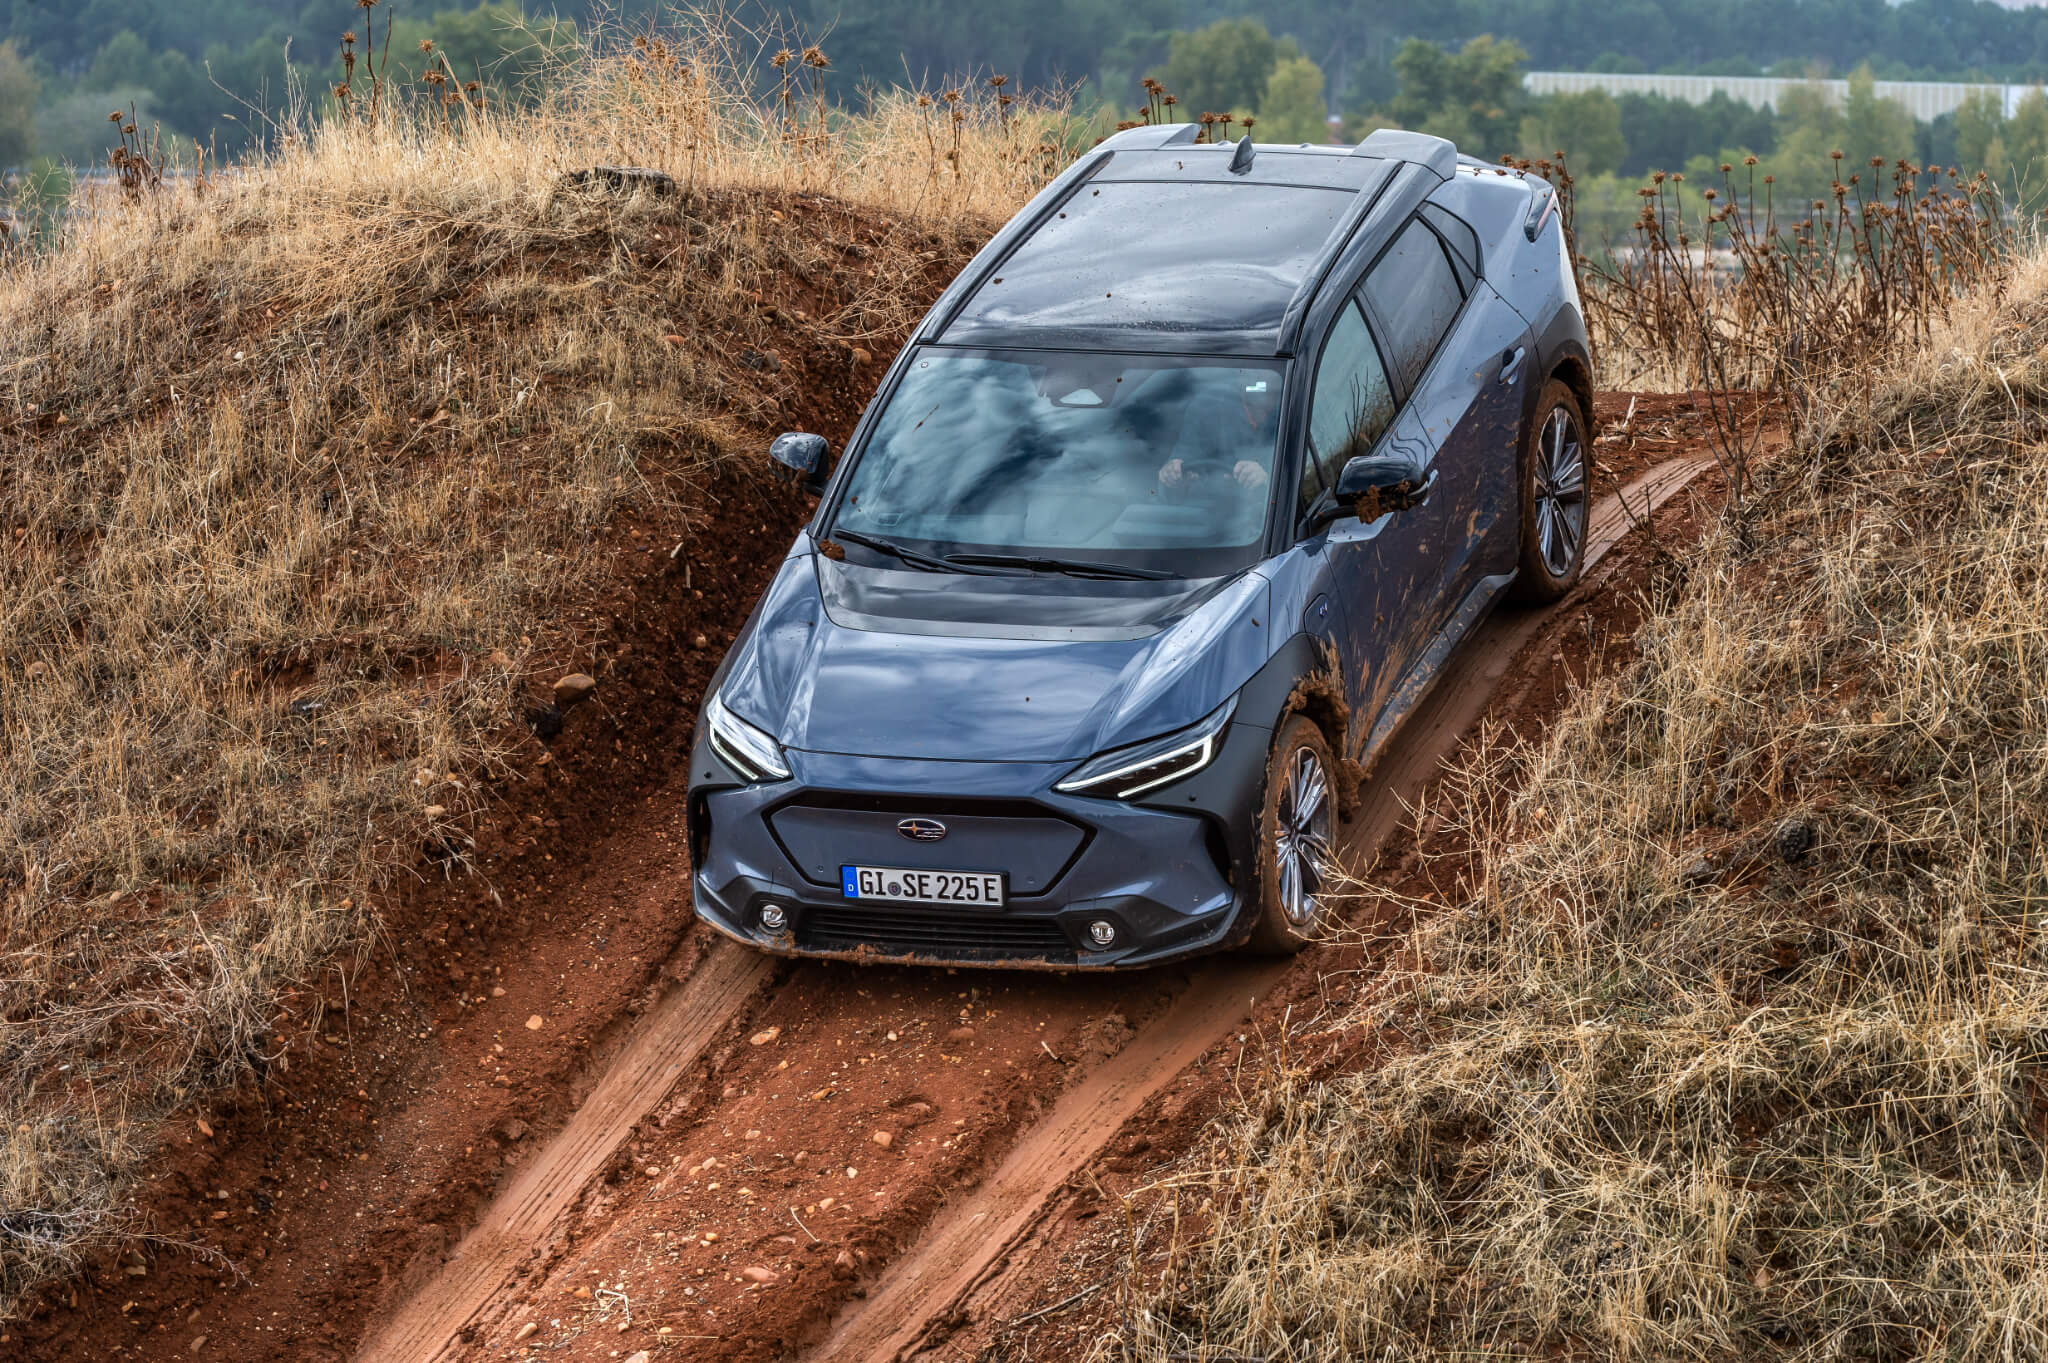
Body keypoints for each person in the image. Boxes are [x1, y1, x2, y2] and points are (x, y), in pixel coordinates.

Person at [1157, 375, 1279, 495]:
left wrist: (1267, 481)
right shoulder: (1207, 407)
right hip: (1204, 507)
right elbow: (1183, 458)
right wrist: (1171, 474)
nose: (1257, 377)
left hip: (1266, 511)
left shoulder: (1292, 407)